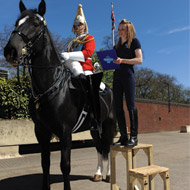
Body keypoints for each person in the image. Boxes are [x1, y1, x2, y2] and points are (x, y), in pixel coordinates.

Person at [61, 4, 102, 132]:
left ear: (84, 26)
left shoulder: (89, 38)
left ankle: (94, 116)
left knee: (91, 87)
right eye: (76, 24)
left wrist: (68, 55)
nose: (78, 26)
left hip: (85, 68)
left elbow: (87, 54)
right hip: (70, 69)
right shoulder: (71, 43)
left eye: (80, 24)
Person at [113, 19, 143, 147]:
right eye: (118, 29)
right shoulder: (116, 46)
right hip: (117, 76)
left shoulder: (134, 42)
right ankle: (123, 136)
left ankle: (134, 136)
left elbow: (139, 60)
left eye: (122, 29)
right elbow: (114, 61)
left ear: (128, 30)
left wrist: (123, 60)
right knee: (117, 106)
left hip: (128, 76)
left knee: (131, 105)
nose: (119, 31)